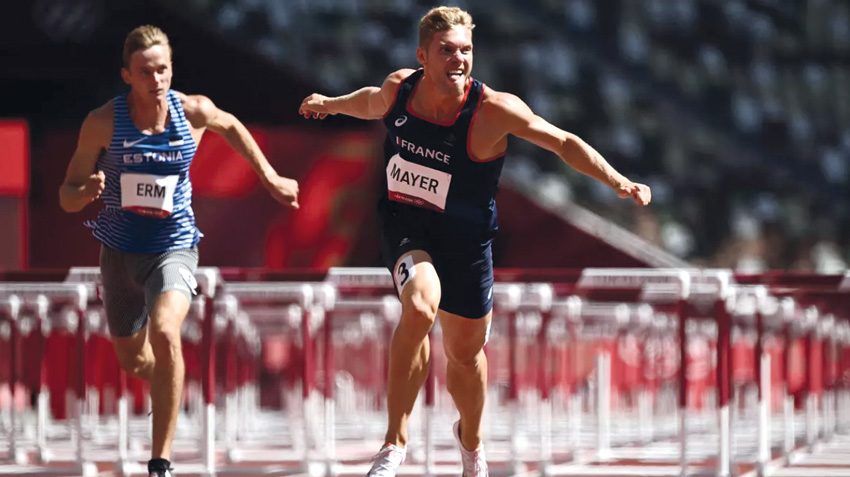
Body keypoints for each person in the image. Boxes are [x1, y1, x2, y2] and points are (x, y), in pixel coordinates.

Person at [299, 6, 651, 477]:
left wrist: (617, 181)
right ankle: (394, 444)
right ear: (423, 56)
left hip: (466, 243)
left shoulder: (493, 111)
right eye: (447, 50)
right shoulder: (399, 90)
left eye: (466, 50)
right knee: (421, 306)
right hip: (406, 224)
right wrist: (329, 102)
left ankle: (471, 443)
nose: (459, 59)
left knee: (464, 356)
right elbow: (367, 102)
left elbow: (562, 141)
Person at [59, 25, 299, 477]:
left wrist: (270, 178)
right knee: (134, 361)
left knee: (167, 332)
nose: (157, 79)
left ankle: (160, 463)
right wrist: (85, 190)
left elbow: (230, 125)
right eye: (146, 71)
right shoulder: (103, 122)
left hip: (174, 248)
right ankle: (169, 383)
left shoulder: (191, 111)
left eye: (163, 68)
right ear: (127, 75)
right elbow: (65, 195)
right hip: (118, 255)